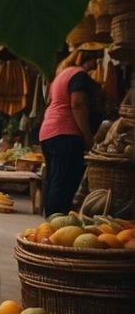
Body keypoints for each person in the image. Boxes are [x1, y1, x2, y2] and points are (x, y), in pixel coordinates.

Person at [40, 53, 101, 216]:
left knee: (55, 179)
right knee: (64, 181)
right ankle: (55, 223)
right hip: (65, 132)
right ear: (87, 60)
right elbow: (77, 104)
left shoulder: (61, 75)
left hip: (48, 131)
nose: (96, 65)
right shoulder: (79, 75)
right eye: (96, 59)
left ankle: (51, 222)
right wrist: (87, 136)